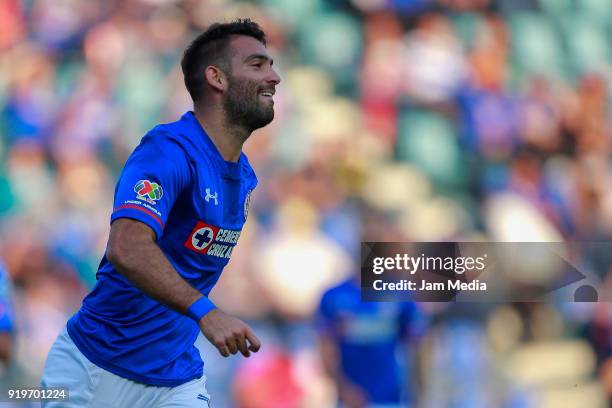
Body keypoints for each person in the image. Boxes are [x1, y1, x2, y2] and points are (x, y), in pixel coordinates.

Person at [41, 18, 280, 407]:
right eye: (257, 65)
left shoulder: (245, 177)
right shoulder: (168, 151)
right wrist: (206, 312)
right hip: (92, 370)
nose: (274, 76)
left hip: (175, 379)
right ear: (217, 78)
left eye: (270, 64)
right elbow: (128, 247)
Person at [317, 275, 426, 408]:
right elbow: (326, 350)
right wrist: (344, 389)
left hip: (391, 398)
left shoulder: (400, 293)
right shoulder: (333, 296)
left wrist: (419, 391)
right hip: (350, 402)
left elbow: (416, 346)